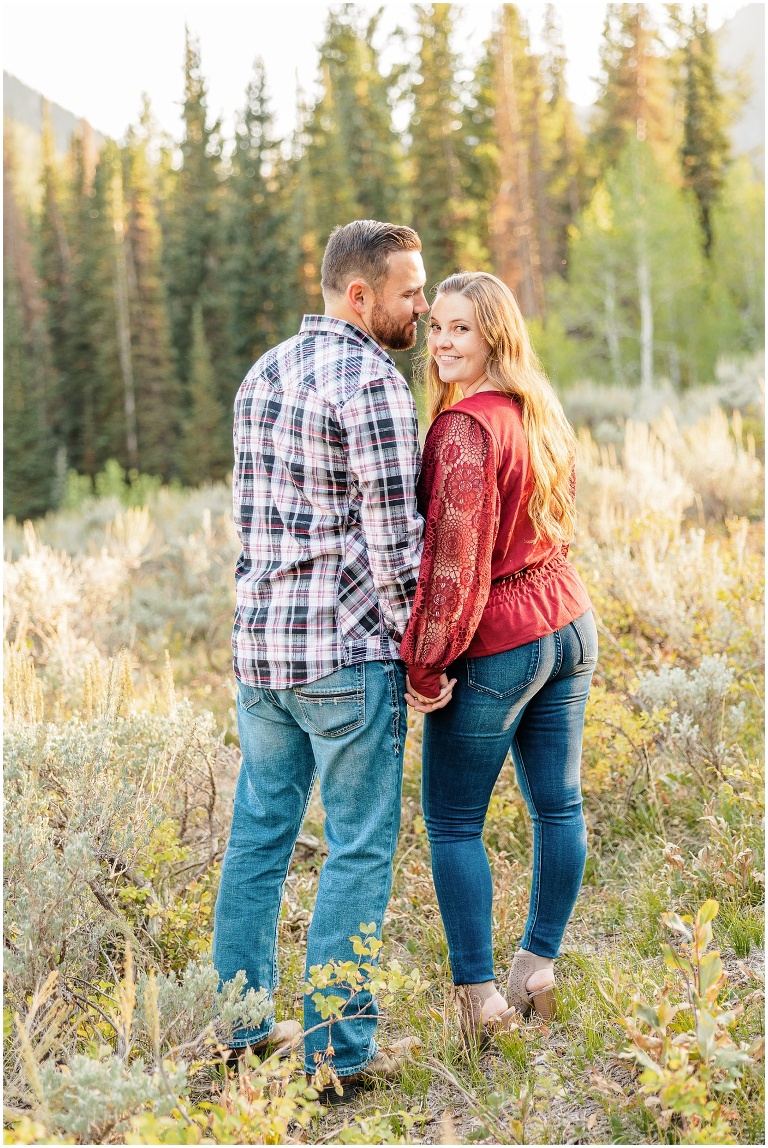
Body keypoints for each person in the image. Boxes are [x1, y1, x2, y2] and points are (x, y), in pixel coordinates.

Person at [213, 220, 429, 1098]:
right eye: (412, 291)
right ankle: (339, 1056)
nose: (422, 304)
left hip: (261, 653)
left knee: (258, 840)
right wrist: (425, 656)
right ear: (360, 296)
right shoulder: (372, 384)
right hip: (343, 656)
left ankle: (238, 1032)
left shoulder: (263, 370)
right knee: (357, 848)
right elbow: (397, 550)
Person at [399, 271, 597, 1049]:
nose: (443, 343)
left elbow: (456, 565)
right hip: (569, 621)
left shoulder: (464, 430)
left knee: (451, 822)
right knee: (559, 806)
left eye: (462, 331)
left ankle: (481, 1000)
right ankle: (537, 968)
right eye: (438, 327)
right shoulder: (535, 409)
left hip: (502, 640)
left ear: (494, 339)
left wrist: (425, 663)